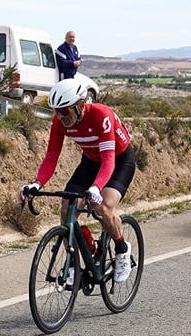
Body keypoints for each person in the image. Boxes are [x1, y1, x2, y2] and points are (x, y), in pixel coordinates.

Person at [24, 75, 136, 286]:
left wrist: (96, 187)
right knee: (67, 208)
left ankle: (122, 249)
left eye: (65, 110)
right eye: (57, 111)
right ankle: (80, 256)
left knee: (102, 207)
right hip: (91, 161)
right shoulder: (60, 120)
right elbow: (51, 156)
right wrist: (37, 183)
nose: (60, 116)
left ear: (80, 105)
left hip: (119, 160)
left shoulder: (101, 115)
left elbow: (109, 160)